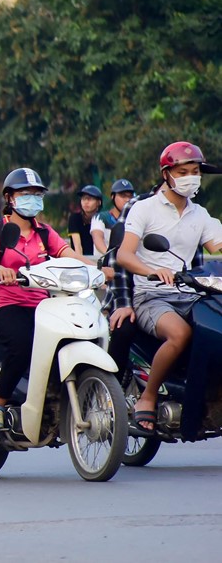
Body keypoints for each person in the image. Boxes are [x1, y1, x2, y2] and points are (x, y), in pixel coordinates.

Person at [116, 141, 222, 433]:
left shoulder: (199, 214)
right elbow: (124, 255)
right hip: (151, 295)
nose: (191, 177)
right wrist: (154, 271)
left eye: (196, 171)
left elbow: (217, 245)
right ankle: (147, 397)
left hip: (189, 294)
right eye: (183, 171)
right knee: (180, 334)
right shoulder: (143, 209)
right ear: (167, 173)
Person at [0, 168, 95, 430]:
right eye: (25, 194)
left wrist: (96, 269)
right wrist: (0, 270)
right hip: (8, 304)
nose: (33, 198)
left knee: (71, 338)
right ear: (10, 198)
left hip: (44, 305)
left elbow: (67, 254)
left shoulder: (44, 232)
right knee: (22, 345)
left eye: (36, 194)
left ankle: (54, 397)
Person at [90, 179, 135, 255]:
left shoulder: (135, 219)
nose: (127, 200)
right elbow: (97, 238)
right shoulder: (100, 217)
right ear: (112, 197)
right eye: (123, 196)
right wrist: (108, 255)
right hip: (103, 264)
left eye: (130, 196)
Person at [68, 184, 103, 256]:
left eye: (90, 199)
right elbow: (77, 247)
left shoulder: (102, 219)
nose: (86, 202)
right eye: (83, 199)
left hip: (100, 259)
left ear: (99, 202)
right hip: (80, 259)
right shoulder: (74, 218)